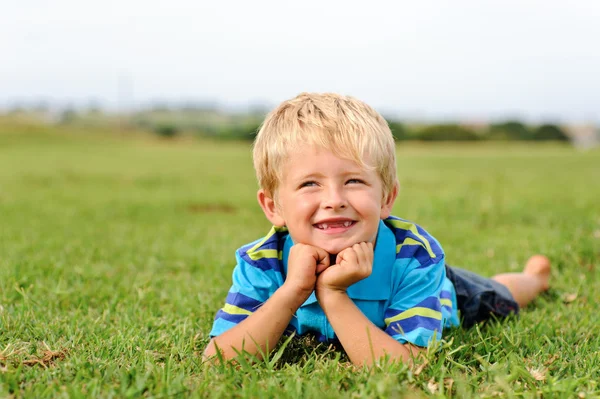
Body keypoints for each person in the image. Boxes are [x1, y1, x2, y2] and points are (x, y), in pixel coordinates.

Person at [203, 93, 551, 366]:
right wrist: (293, 290)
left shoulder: (414, 258)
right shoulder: (262, 261)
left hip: (447, 296)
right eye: (310, 184)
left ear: (387, 197)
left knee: (495, 294)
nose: (334, 200)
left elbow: (406, 367)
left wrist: (334, 295)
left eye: (354, 180)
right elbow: (219, 360)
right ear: (273, 207)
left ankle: (534, 277)